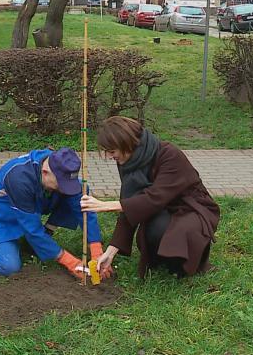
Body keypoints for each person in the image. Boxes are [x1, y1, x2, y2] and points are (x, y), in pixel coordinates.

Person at [80, 116, 220, 278]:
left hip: (192, 208)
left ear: (127, 143)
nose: (110, 157)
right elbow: (131, 205)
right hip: (162, 208)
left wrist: (106, 205)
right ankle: (166, 259)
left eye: (112, 151)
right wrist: (110, 253)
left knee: (176, 232)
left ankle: (190, 262)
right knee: (152, 232)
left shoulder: (169, 154)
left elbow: (154, 198)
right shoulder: (128, 161)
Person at [0, 147, 107, 278]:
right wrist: (68, 261)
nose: (64, 188)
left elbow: (83, 207)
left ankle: (43, 237)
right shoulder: (19, 178)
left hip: (29, 206)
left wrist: (95, 246)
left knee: (77, 190)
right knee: (9, 267)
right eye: (61, 184)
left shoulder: (60, 165)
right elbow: (31, 228)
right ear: (45, 172)